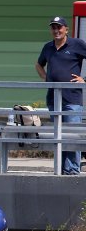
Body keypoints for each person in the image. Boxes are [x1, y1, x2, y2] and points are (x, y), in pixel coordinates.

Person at [35, 16, 86, 175]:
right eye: (53, 27)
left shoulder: (77, 44)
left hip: (71, 99)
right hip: (53, 99)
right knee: (59, 136)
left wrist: (84, 80)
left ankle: (72, 172)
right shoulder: (48, 47)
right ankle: (62, 170)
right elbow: (38, 64)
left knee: (71, 136)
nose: (56, 30)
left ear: (66, 29)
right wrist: (46, 77)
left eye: (59, 27)